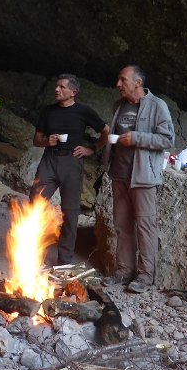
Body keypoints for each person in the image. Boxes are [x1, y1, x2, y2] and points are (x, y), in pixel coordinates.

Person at [102, 65, 175, 293]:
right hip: (119, 174)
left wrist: (136, 138)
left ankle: (145, 276)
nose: (118, 84)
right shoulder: (119, 106)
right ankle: (124, 271)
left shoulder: (157, 106)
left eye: (122, 80)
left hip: (143, 177)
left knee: (145, 226)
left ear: (137, 82)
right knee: (122, 225)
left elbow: (167, 139)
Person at [31, 74, 110, 267]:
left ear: (73, 92)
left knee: (70, 212)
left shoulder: (83, 111)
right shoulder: (48, 111)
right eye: (56, 86)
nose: (57, 90)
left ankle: (63, 261)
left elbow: (106, 131)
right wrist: (46, 141)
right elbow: (36, 139)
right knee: (35, 205)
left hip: (72, 162)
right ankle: (34, 256)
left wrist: (92, 149)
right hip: (49, 160)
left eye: (62, 87)